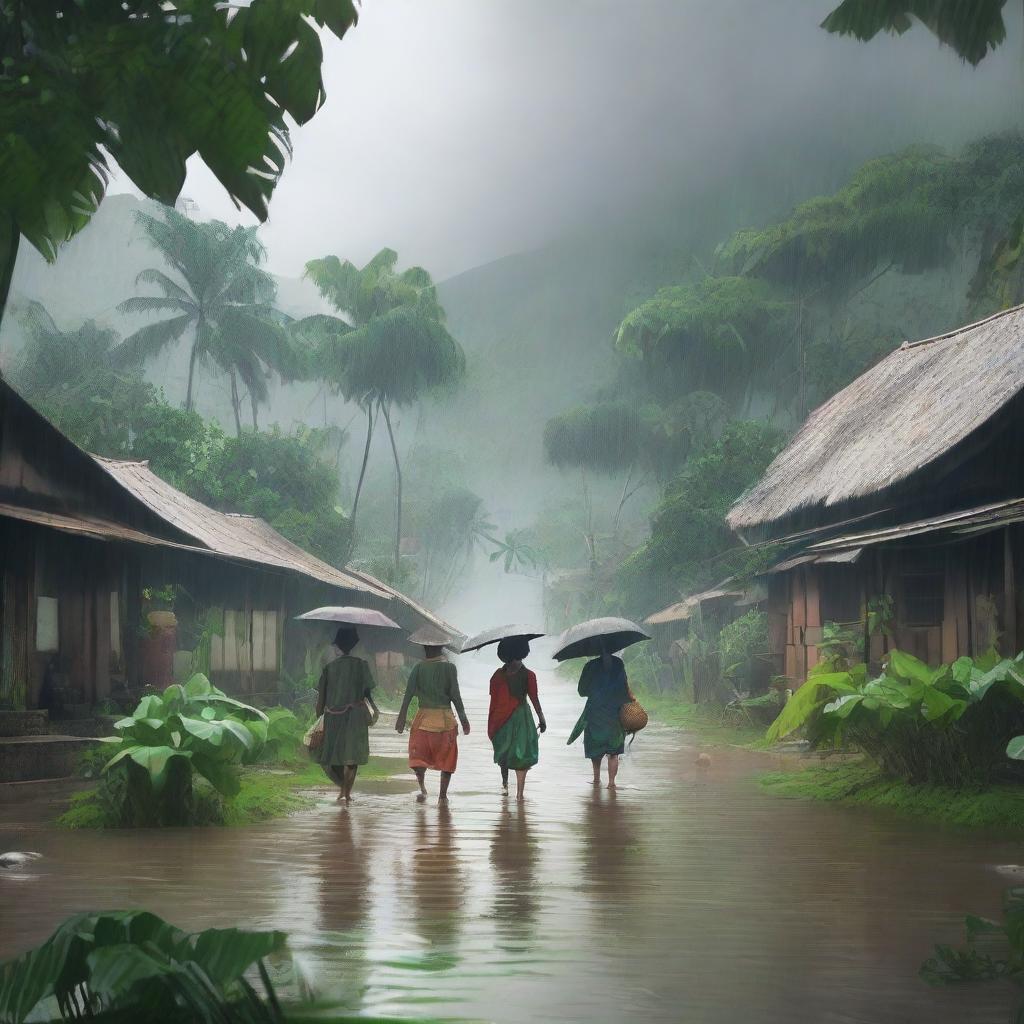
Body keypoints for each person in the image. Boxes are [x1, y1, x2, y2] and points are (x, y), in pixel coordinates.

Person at [396, 626, 470, 803]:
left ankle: (422, 788)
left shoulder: (418, 669)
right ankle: (443, 796)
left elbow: (407, 697)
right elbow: (456, 697)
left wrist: (401, 718)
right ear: (441, 648)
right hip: (445, 721)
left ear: (425, 649)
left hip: (423, 721)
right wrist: (464, 720)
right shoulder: (450, 669)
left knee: (419, 758)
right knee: (447, 760)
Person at [315, 626, 380, 804]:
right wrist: (373, 708)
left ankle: (343, 790)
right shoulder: (362, 666)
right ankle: (347, 792)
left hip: (333, 716)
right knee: (352, 756)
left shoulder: (329, 668)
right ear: (354, 645)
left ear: (337, 646)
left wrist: (319, 715)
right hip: (355, 716)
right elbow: (367, 692)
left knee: (333, 755)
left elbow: (321, 697)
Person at [487, 636, 546, 800]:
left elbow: (494, 700)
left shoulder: (497, 676)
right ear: (523, 651)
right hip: (522, 718)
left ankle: (505, 785)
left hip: (501, 721)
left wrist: (492, 724)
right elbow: (534, 698)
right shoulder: (529, 675)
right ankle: (519, 794)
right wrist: (541, 718)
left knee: (504, 753)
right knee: (522, 756)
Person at [568, 648, 631, 788]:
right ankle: (611, 783)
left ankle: (596, 779)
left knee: (595, 748)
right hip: (615, 712)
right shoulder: (619, 664)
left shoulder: (590, 666)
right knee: (614, 751)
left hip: (595, 711)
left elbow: (581, 691)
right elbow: (624, 687)